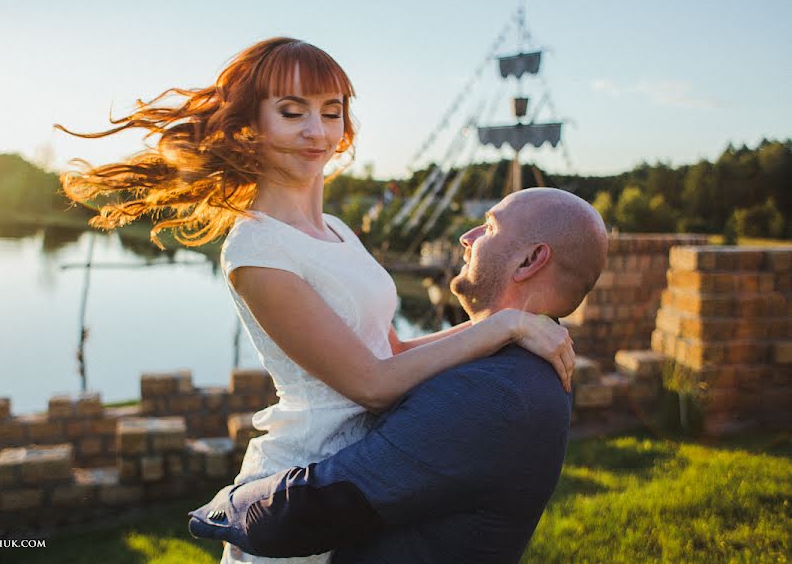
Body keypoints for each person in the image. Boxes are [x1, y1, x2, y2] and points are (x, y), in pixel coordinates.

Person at [56, 38, 575, 564]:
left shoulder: (338, 231)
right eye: (291, 112)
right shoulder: (256, 249)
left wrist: (509, 326)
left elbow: (391, 352)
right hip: (303, 488)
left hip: (370, 475)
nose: (317, 131)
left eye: (331, 113)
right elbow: (372, 385)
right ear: (249, 124)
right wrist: (503, 326)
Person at [188, 188, 609, 563]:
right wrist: (506, 322)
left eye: (489, 227)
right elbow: (397, 355)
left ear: (530, 259)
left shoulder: (493, 393)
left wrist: (223, 508)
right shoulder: (519, 355)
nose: (468, 237)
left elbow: (313, 508)